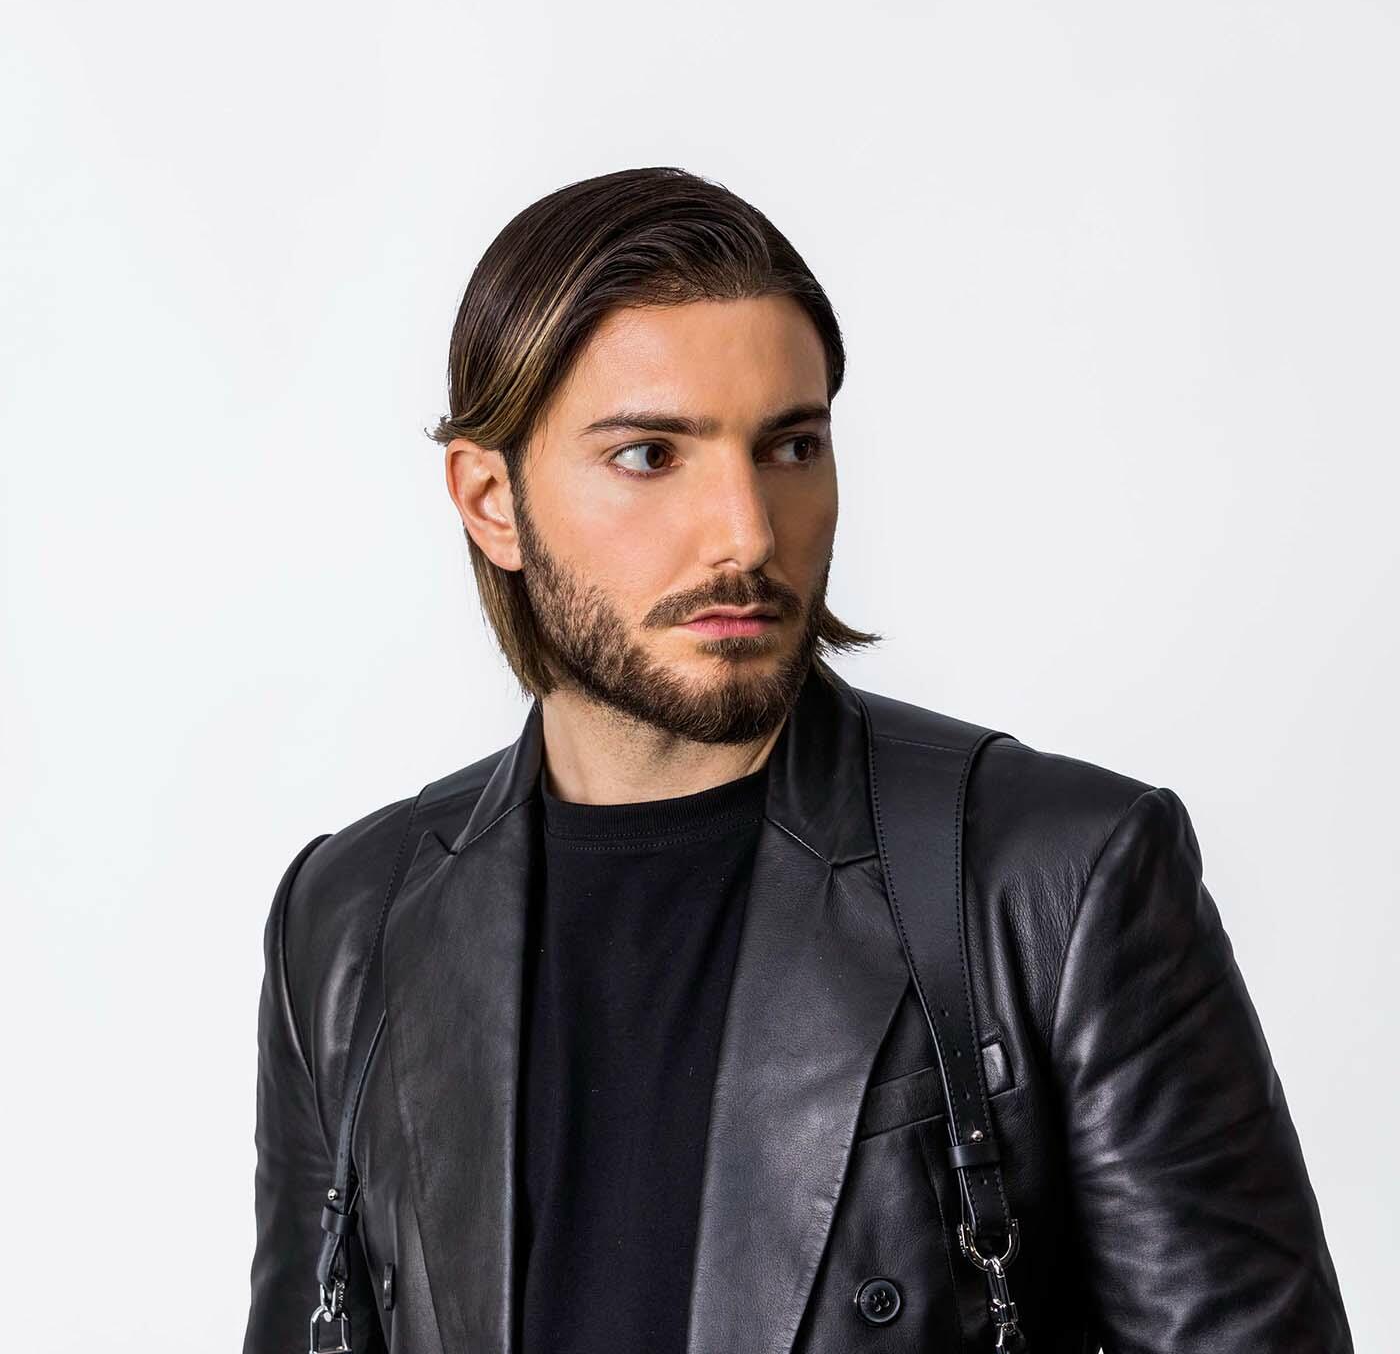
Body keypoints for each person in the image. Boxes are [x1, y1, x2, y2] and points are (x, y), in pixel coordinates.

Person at [242, 166, 1353, 1354]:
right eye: (649, 454)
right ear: (489, 499)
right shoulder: (349, 923)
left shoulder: (1053, 880)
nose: (746, 531)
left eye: (789, 445)